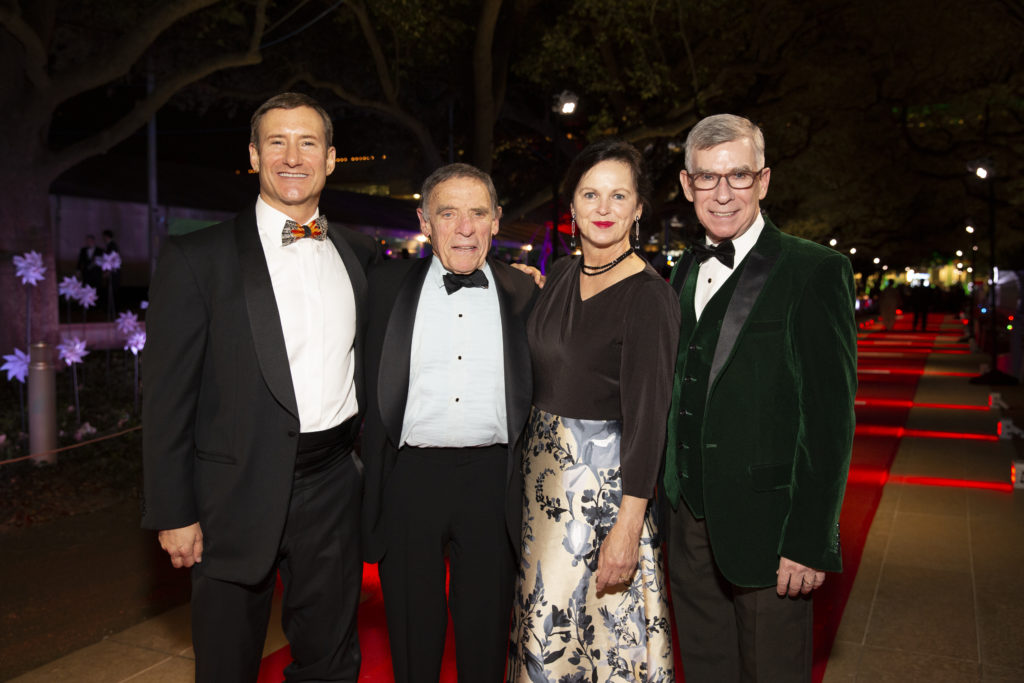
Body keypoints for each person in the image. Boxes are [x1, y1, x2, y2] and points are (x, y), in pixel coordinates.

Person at [142, 92, 379, 682]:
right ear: (253, 155)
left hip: (331, 483)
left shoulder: (359, 253)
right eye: (276, 142)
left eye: (308, 143)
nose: (292, 156)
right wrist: (174, 511)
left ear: (330, 160)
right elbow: (167, 398)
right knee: (225, 664)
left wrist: (515, 283)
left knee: (331, 659)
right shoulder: (196, 257)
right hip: (231, 491)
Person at [663, 114, 857, 682]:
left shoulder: (815, 270)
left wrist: (809, 539)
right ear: (686, 184)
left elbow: (829, 419)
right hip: (688, 521)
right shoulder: (679, 272)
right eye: (707, 178)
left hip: (772, 531)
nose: (722, 194)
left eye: (739, 176)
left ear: (764, 181)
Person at [507, 140, 678, 681]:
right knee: (543, 636)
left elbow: (650, 419)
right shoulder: (557, 275)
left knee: (598, 649)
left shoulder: (649, 297)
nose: (604, 208)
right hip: (542, 492)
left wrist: (628, 527)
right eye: (591, 194)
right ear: (573, 207)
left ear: (637, 210)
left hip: (603, 498)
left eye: (619, 195)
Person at [360, 163, 538, 682]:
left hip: (493, 482)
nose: (464, 227)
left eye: (478, 212)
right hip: (409, 478)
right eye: (448, 213)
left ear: (497, 221)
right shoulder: (382, 287)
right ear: (424, 221)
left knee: (485, 635)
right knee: (412, 633)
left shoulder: (525, 293)